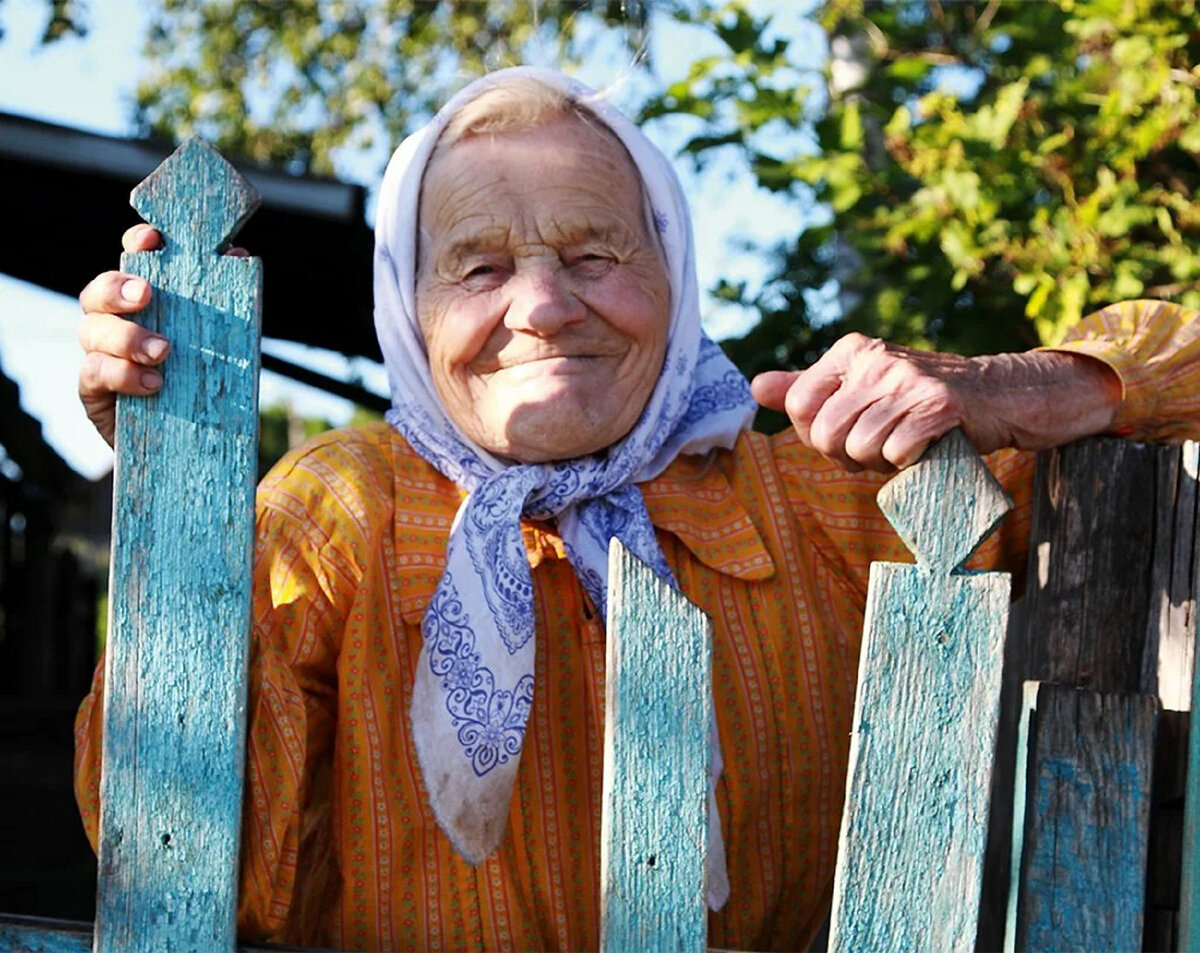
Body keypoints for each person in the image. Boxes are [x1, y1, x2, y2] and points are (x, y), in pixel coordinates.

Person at [73, 67, 1200, 951]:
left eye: (594, 252)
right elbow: (207, 874)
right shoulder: (334, 513)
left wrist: (1036, 384)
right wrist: (181, 527)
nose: (544, 307)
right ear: (408, 311)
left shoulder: (826, 498)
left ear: (674, 276)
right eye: (475, 267)